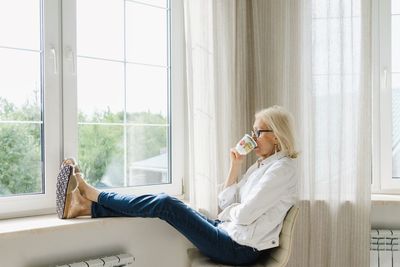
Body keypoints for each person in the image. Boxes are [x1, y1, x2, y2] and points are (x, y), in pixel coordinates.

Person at [56, 105, 298, 266]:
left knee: (165, 203)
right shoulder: (261, 166)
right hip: (227, 231)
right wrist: (234, 166)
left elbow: (243, 215)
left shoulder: (282, 169)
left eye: (258, 132)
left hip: (239, 248)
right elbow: (224, 202)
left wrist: (234, 210)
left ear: (276, 135)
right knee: (169, 204)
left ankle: (92, 194)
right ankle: (84, 207)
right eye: (252, 132)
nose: (252, 138)